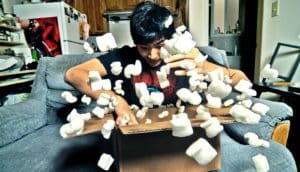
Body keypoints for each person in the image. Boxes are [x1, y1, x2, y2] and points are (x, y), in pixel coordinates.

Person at [65, 1, 296, 171]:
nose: (153, 55)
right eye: (144, 48)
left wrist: (204, 67)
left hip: (191, 139)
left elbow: (242, 82)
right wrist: (118, 101)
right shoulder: (124, 57)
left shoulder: (188, 57)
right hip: (142, 139)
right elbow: (74, 74)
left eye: (159, 45)